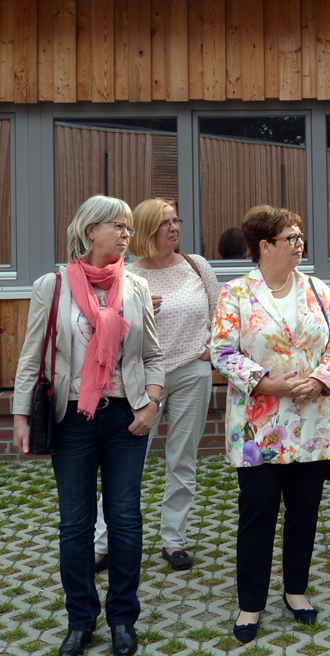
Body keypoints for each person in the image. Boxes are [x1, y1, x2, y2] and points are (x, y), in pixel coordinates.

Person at [12, 195, 164, 656]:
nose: (126, 234)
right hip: (72, 419)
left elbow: (154, 356)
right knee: (75, 525)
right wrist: (20, 416)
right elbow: (31, 356)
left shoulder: (135, 287)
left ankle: (122, 618)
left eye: (127, 227)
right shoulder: (51, 286)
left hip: (125, 417)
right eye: (117, 226)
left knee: (124, 518)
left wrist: (151, 404)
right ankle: (81, 619)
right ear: (89, 230)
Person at [211, 205, 330, 643]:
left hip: (312, 420)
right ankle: (251, 603)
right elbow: (221, 350)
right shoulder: (234, 293)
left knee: (305, 509)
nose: (298, 243)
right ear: (264, 246)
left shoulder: (317, 289)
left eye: (299, 236)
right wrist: (265, 382)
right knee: (258, 510)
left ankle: (296, 591)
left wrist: (320, 379)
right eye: (290, 237)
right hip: (258, 427)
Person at [93, 199, 221, 572]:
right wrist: (133, 310)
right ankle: (102, 543)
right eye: (165, 222)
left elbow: (223, 315)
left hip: (191, 375)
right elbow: (103, 331)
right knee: (126, 463)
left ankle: (173, 540)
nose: (174, 227)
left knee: (183, 459)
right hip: (141, 380)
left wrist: (209, 351)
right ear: (148, 230)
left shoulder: (198, 266)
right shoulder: (126, 275)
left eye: (176, 220)